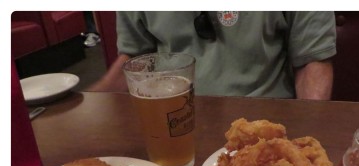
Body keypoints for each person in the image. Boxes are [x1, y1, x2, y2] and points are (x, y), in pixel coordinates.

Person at [90, 11, 336, 99]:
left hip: (266, 119)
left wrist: (308, 133)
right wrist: (88, 106)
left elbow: (312, 61)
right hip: (176, 120)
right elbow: (136, 61)